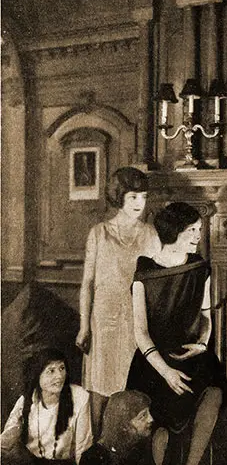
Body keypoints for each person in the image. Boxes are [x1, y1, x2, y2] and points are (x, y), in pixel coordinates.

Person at [127, 202, 227, 465]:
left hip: (192, 355)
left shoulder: (200, 268)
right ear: (174, 232)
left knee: (214, 394)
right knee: (158, 426)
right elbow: (141, 335)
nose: (198, 237)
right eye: (192, 231)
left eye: (199, 230)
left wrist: (202, 343)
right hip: (154, 362)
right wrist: (167, 372)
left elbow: (206, 318)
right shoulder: (143, 272)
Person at [76, 166, 160, 437]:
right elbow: (87, 283)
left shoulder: (151, 234)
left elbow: (157, 283)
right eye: (133, 197)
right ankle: (96, 454)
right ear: (119, 197)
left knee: (133, 388)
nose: (140, 203)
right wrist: (84, 326)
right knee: (99, 389)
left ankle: (130, 457)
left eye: (144, 197)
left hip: (136, 321)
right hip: (103, 321)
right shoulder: (99, 233)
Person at [1, 348, 92, 465]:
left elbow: (84, 446)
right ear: (37, 374)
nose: (58, 376)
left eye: (61, 368)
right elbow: (7, 438)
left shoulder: (79, 397)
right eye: (50, 371)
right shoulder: (28, 400)